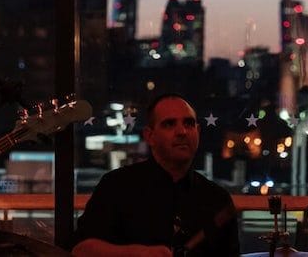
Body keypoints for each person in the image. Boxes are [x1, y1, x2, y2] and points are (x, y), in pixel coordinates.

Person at [73, 93, 240, 257]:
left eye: (189, 123)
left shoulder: (217, 200)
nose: (182, 131)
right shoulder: (116, 186)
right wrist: (137, 254)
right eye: (169, 124)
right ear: (149, 136)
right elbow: (80, 250)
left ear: (198, 132)